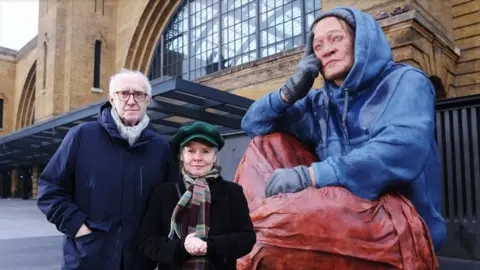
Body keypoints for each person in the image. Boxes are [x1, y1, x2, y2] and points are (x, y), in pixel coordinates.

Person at [241, 6, 446, 251]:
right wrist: (288, 92)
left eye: (336, 38)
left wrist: (311, 176)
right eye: (318, 46)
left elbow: (400, 149)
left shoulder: (406, 81)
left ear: (360, 41)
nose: (327, 50)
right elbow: (254, 124)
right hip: (340, 209)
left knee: (274, 230)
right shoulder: (319, 102)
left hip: (401, 215)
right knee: (265, 146)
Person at [37, 69, 178, 270]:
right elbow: (50, 189)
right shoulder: (82, 136)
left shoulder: (160, 147)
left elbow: (169, 204)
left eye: (139, 94)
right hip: (87, 258)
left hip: (138, 261)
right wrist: (77, 227)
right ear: (112, 99)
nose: (131, 100)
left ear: (149, 101)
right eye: (124, 93)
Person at [138, 121, 256, 270]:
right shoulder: (163, 193)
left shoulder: (232, 192)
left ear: (214, 157)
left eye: (205, 151)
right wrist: (183, 248)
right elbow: (147, 242)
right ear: (181, 155)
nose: (197, 157)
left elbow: (247, 238)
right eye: (191, 151)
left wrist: (209, 246)